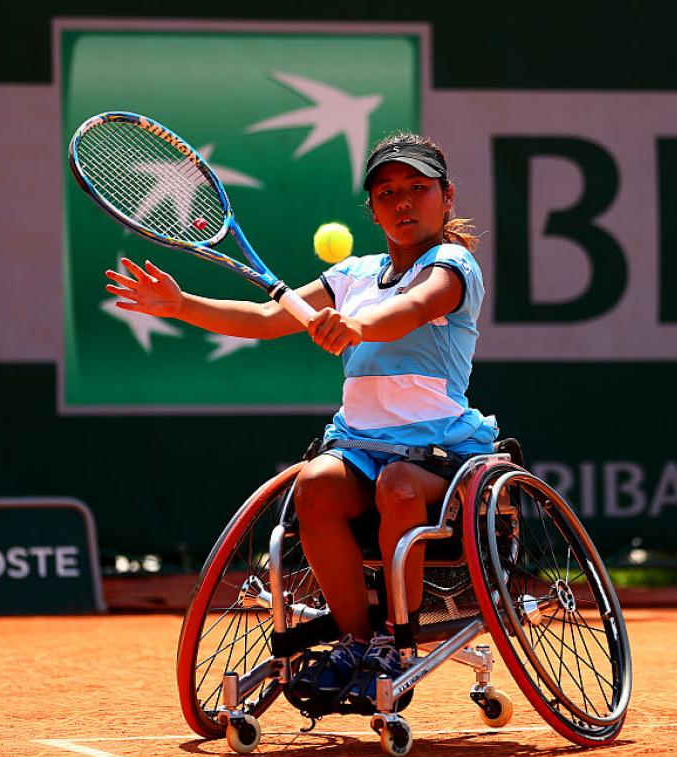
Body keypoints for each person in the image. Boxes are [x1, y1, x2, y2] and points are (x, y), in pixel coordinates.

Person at [106, 132, 497, 712]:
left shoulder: (452, 265)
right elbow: (267, 318)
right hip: (360, 445)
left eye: (418, 188)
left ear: (447, 196)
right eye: (387, 193)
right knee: (313, 486)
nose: (404, 202)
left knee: (398, 486)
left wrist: (357, 327)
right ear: (373, 208)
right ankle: (357, 642)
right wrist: (182, 304)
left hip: (440, 455)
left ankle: (397, 640)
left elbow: (414, 309)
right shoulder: (356, 274)